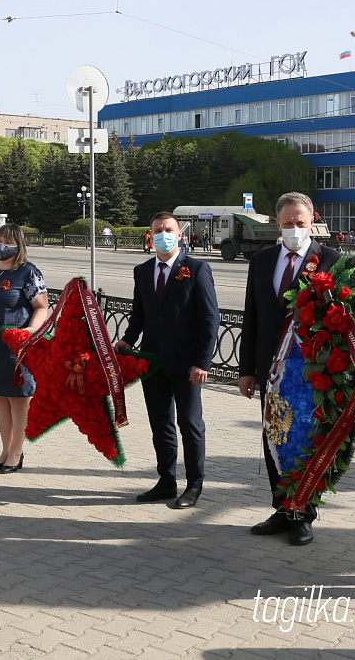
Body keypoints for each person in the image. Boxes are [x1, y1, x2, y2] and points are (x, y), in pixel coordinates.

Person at [238, 192, 341, 546]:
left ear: (312, 222)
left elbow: (341, 324)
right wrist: (246, 369)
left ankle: (304, 513)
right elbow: (251, 317)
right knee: (274, 439)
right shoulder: (262, 261)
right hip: (270, 371)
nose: (294, 229)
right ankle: (282, 509)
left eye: (300, 222)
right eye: (287, 223)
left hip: (309, 372)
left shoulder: (331, 260)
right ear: (277, 224)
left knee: (305, 442)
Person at [117, 212, 220, 509]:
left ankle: (194, 483)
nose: (163, 234)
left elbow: (209, 319)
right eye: (158, 230)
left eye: (169, 229)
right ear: (151, 236)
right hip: (152, 362)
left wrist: (203, 362)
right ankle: (166, 481)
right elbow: (140, 314)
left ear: (179, 234)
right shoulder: (142, 270)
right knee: (160, 423)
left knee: (190, 423)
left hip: (188, 365)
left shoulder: (197, 269)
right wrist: (128, 340)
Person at [0, 224, 49, 473]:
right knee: (0, 399)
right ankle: (5, 450)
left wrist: (30, 333)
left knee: (18, 401)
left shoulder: (28, 272)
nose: (1, 245)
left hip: (15, 346)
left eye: (7, 241)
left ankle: (16, 452)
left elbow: (42, 307)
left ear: (18, 244)